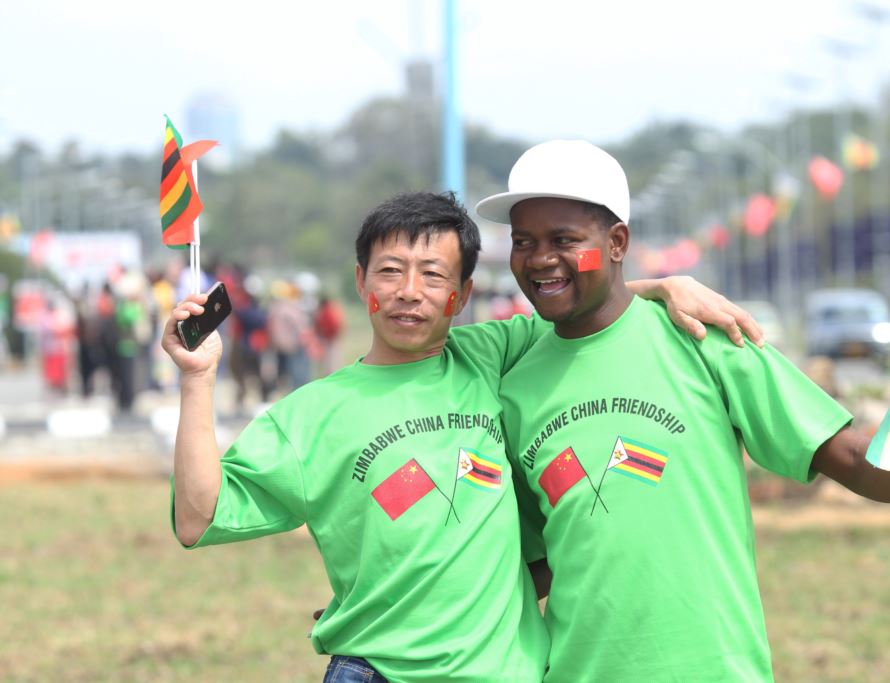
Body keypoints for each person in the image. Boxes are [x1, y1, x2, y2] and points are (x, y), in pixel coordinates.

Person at [162, 191, 764, 682]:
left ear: (464, 293)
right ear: (360, 280)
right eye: (390, 272)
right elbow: (197, 519)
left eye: (432, 275)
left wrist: (662, 286)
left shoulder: (492, 355)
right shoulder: (311, 415)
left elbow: (587, 301)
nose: (408, 292)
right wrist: (198, 379)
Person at [478, 140, 890, 683]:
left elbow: (846, 456)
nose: (539, 258)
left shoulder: (706, 340)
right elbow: (531, 562)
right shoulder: (514, 390)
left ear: (617, 242)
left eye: (563, 240)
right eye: (523, 242)